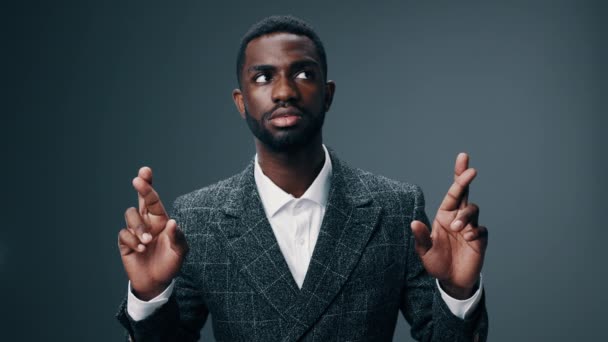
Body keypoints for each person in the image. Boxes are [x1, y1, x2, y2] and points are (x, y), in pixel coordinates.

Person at [116, 15, 489, 341]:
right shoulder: (199, 217)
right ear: (240, 101)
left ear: (327, 95)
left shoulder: (395, 208)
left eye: (303, 73)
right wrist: (150, 297)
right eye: (263, 77)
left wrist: (457, 290)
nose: (284, 91)